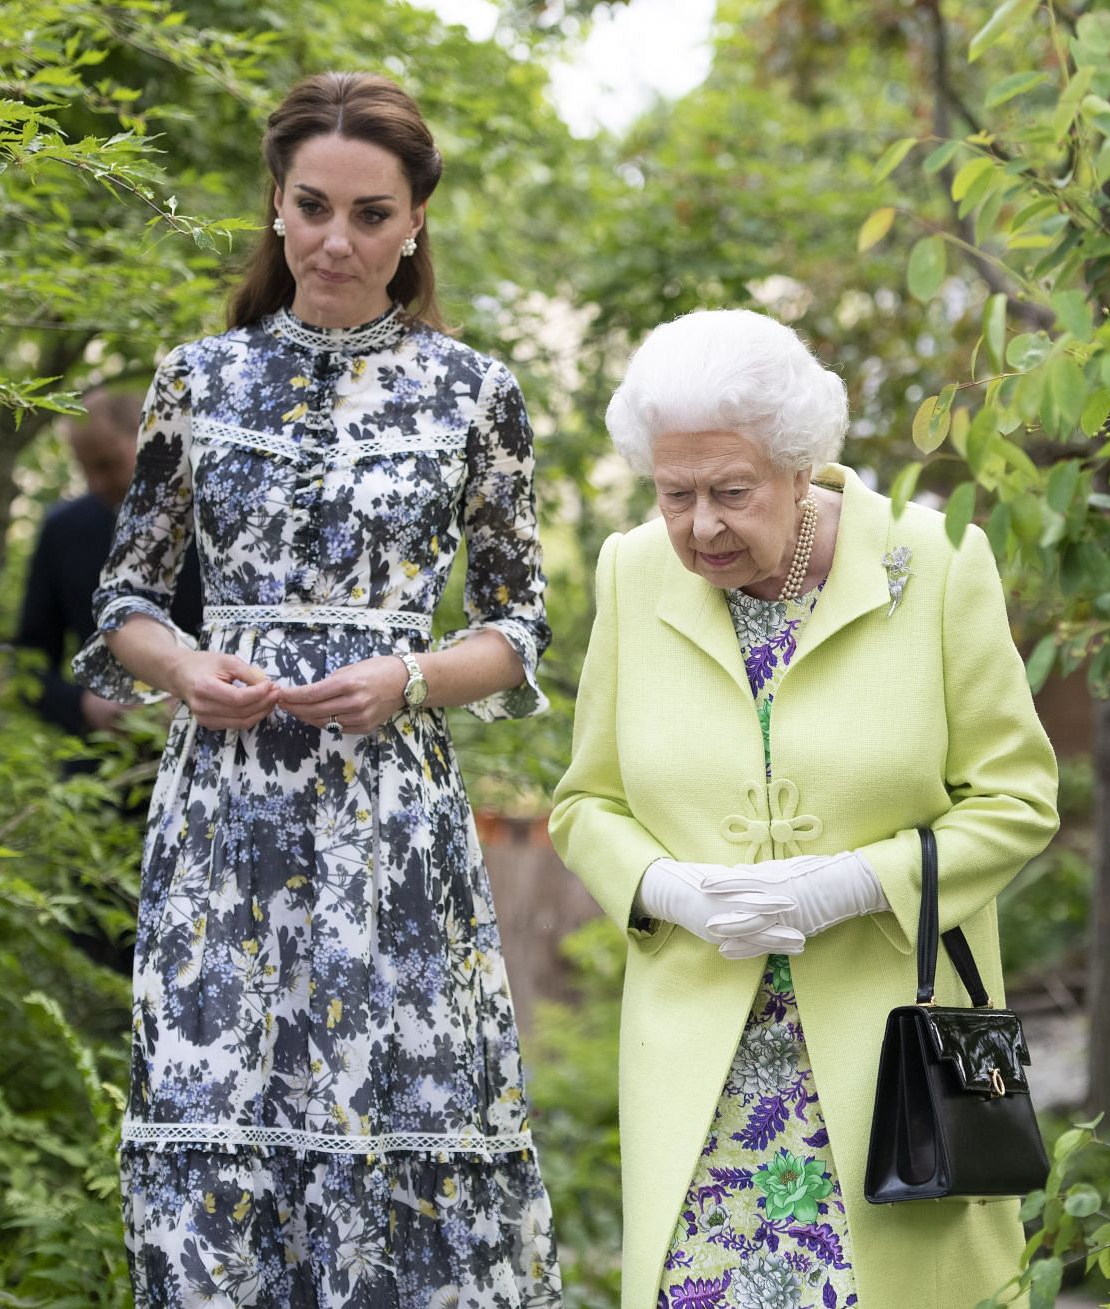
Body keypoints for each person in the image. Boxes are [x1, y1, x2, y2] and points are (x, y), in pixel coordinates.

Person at [73, 72, 559, 1307]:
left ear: (415, 225)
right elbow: (123, 600)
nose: (339, 239)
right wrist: (183, 665)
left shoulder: (475, 395)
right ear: (275, 207)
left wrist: (409, 675)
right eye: (314, 206)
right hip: (224, 826)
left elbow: (516, 628)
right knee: (215, 1136)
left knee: (400, 1139)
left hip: (391, 833)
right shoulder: (197, 381)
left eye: (372, 214)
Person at [549, 309, 1059, 1309]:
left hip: (894, 1069)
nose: (700, 526)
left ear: (800, 466)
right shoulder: (630, 570)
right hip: (706, 1073)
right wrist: (666, 887)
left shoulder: (936, 561)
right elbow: (586, 803)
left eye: (730, 491)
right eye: (674, 493)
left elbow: (1017, 797)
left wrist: (852, 883)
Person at [13, 388, 201, 739]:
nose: (95, 483)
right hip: (100, 765)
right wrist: (84, 705)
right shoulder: (64, 531)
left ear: (150, 436)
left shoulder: (213, 523)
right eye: (84, 468)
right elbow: (26, 662)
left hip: (210, 751)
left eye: (106, 464)